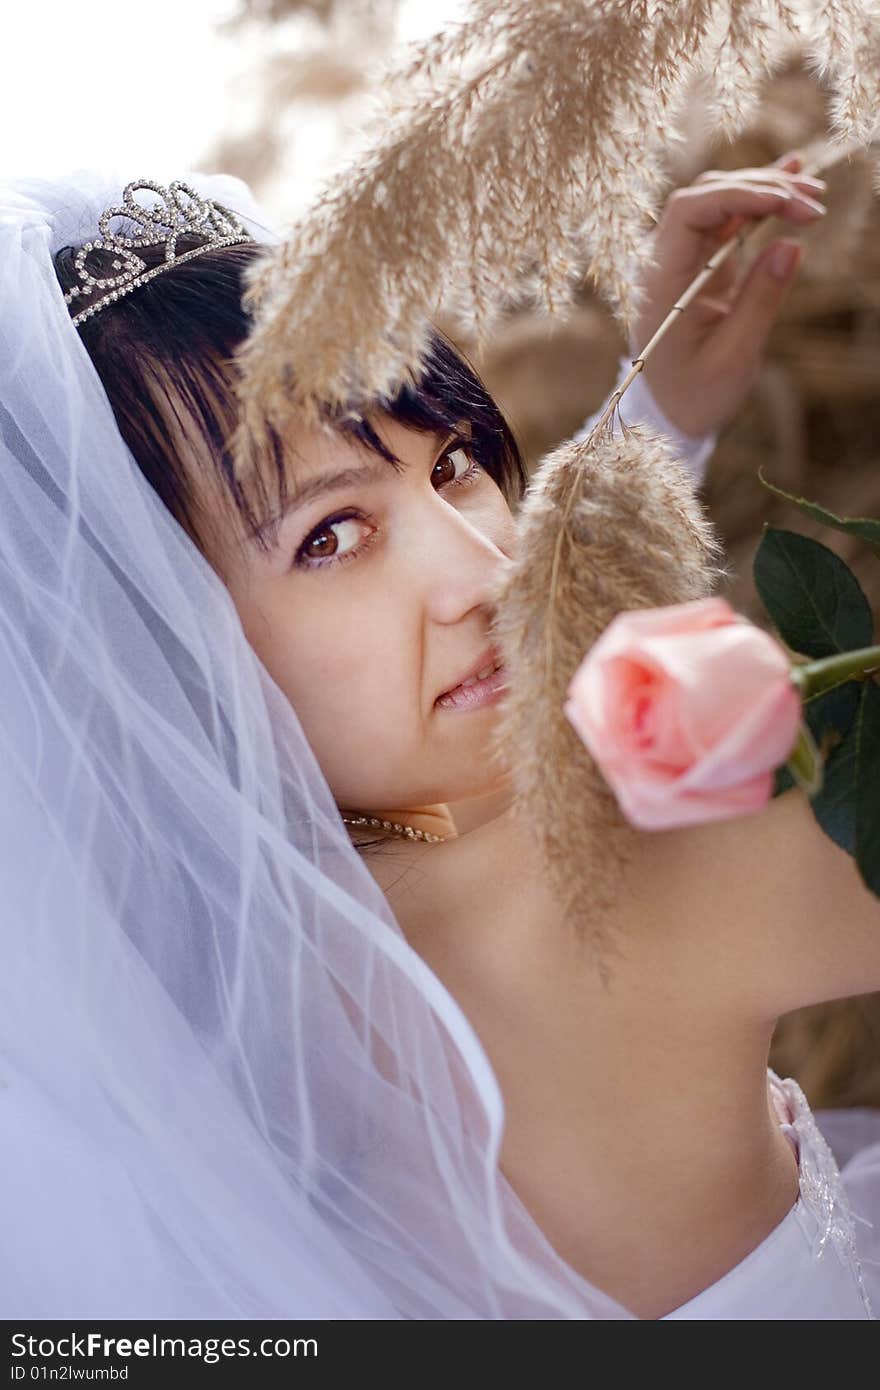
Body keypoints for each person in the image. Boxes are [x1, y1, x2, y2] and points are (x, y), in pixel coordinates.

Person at [1, 161, 876, 1321]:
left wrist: (650, 422)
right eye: (330, 537)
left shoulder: (195, 1000)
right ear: (159, 653)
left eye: (454, 461)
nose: (490, 570)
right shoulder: (625, 888)